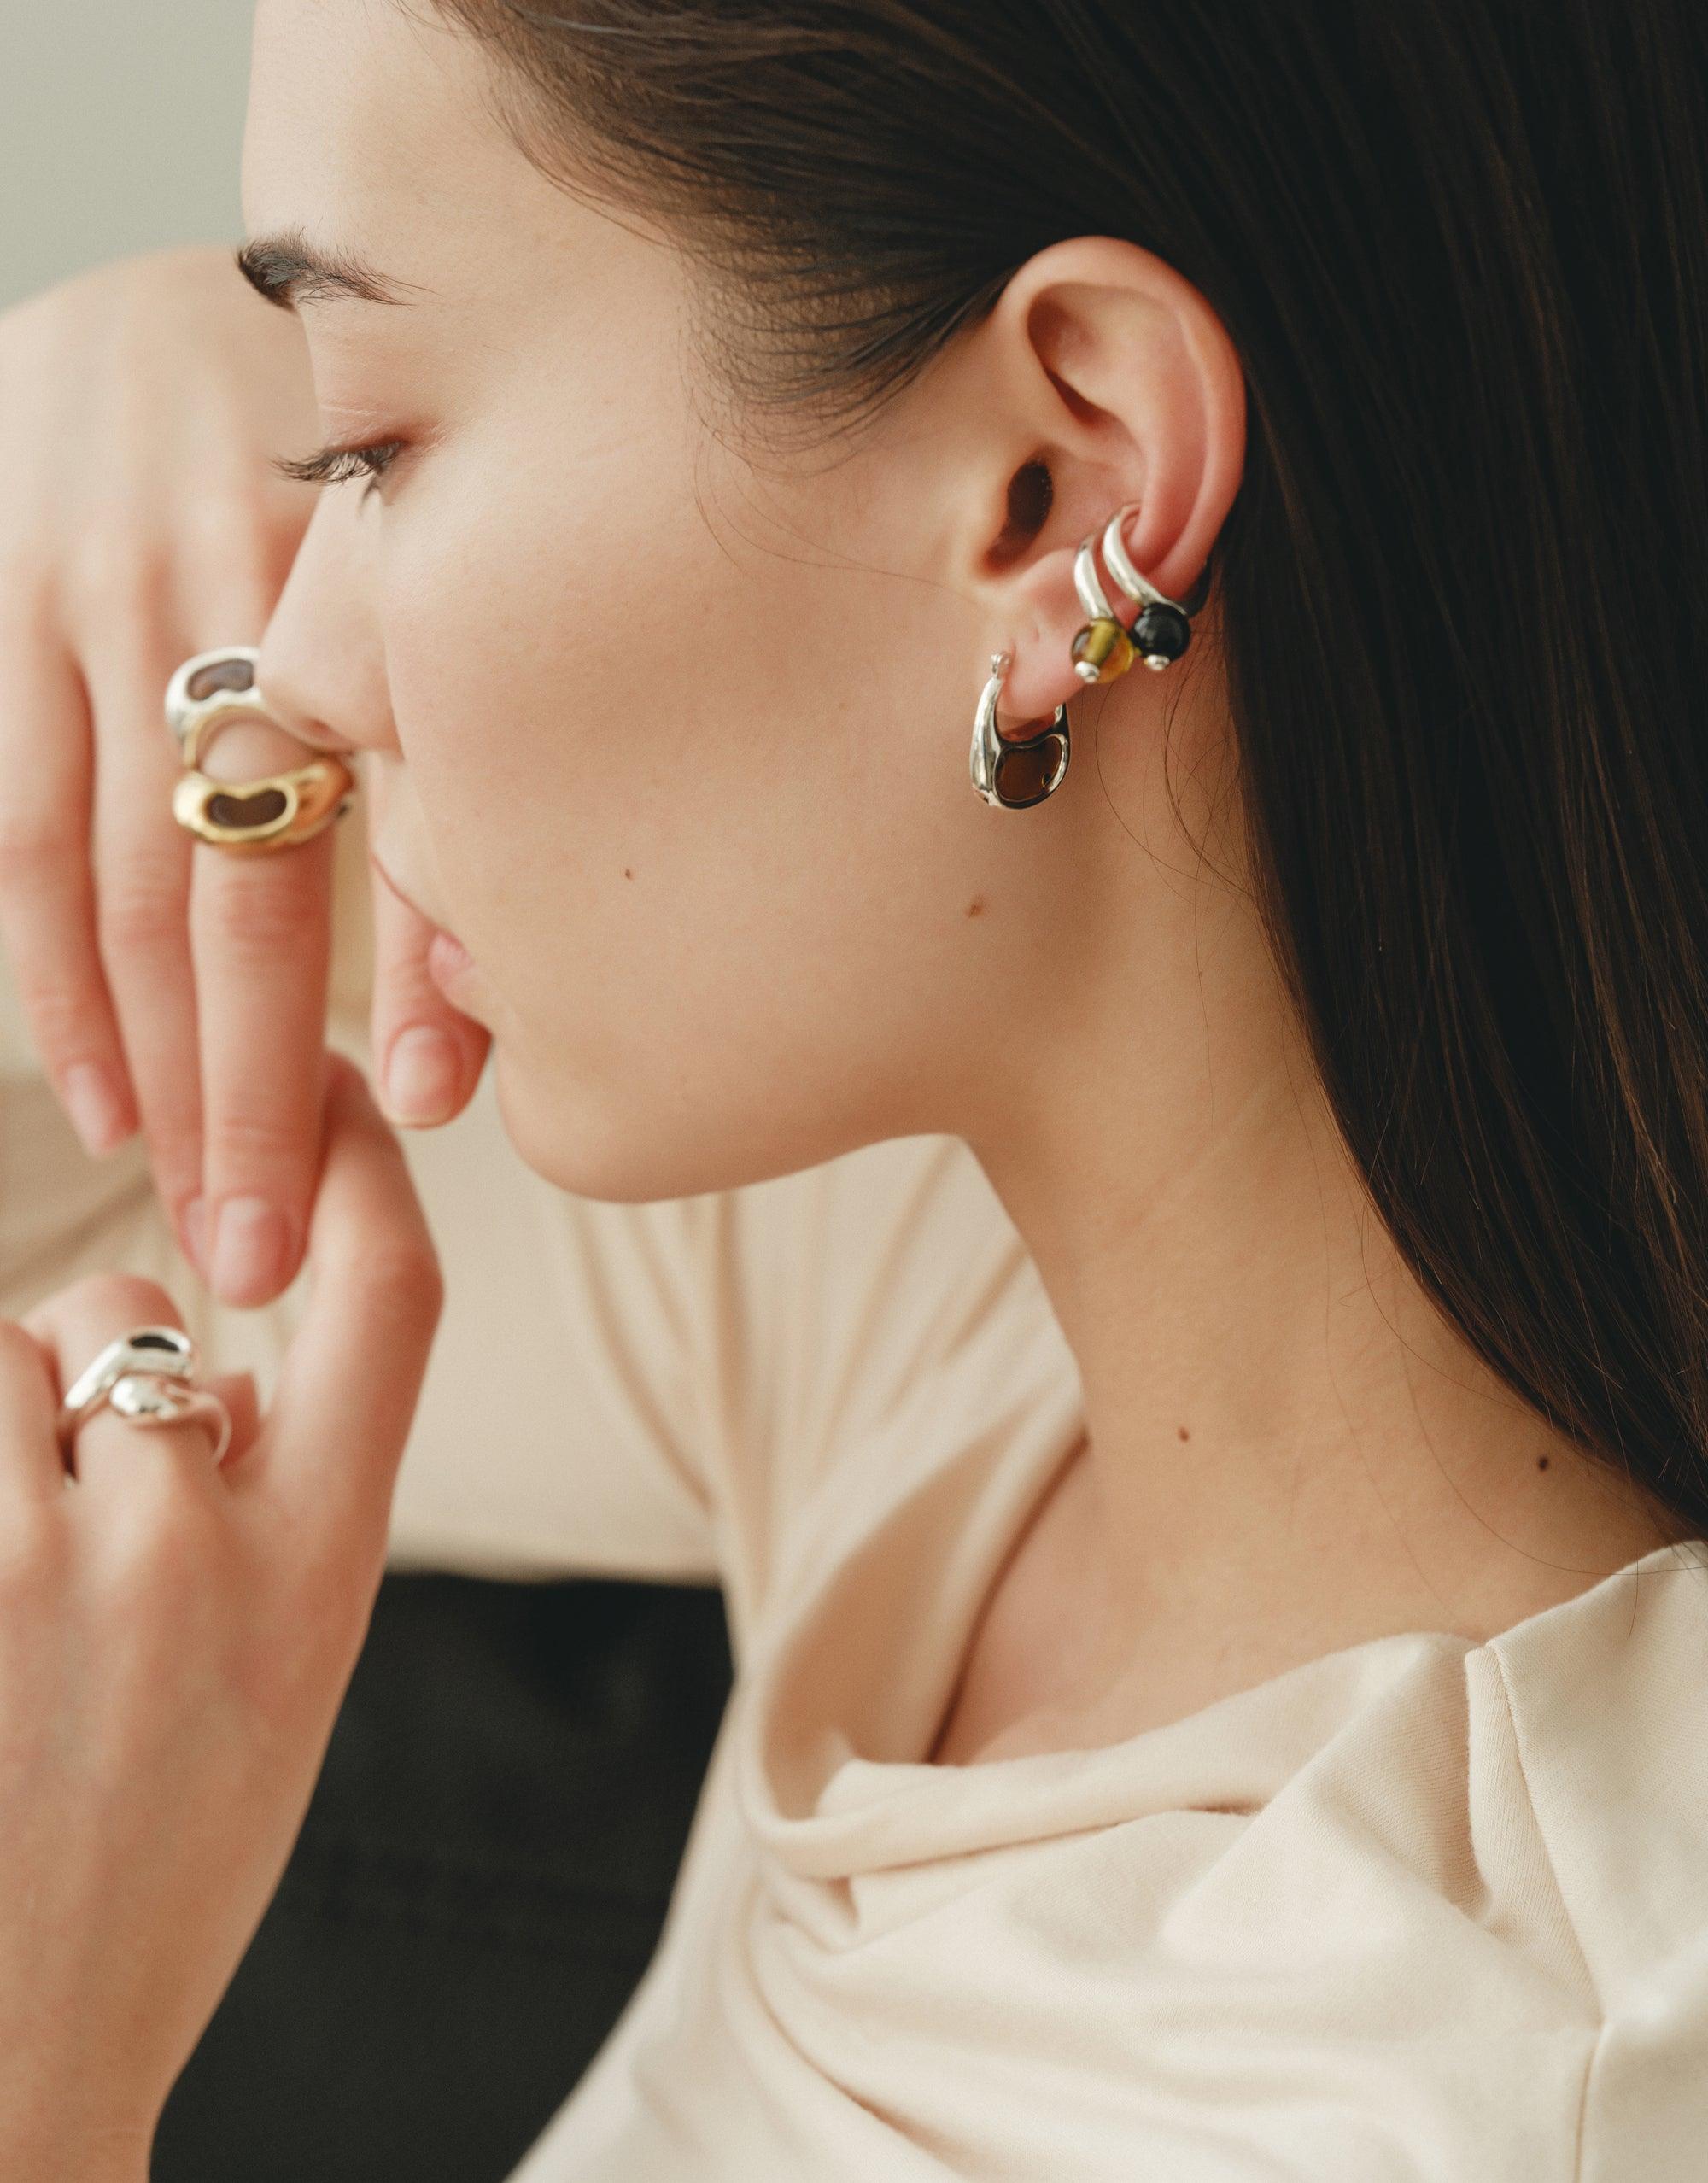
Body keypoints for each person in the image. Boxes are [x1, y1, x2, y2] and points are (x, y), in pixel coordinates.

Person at [1, 1, 1707, 2175]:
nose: (291, 674)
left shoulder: (1468, 2080)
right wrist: (81, 413)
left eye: (373, 446)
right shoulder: (965, 1310)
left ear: (1057, 483)